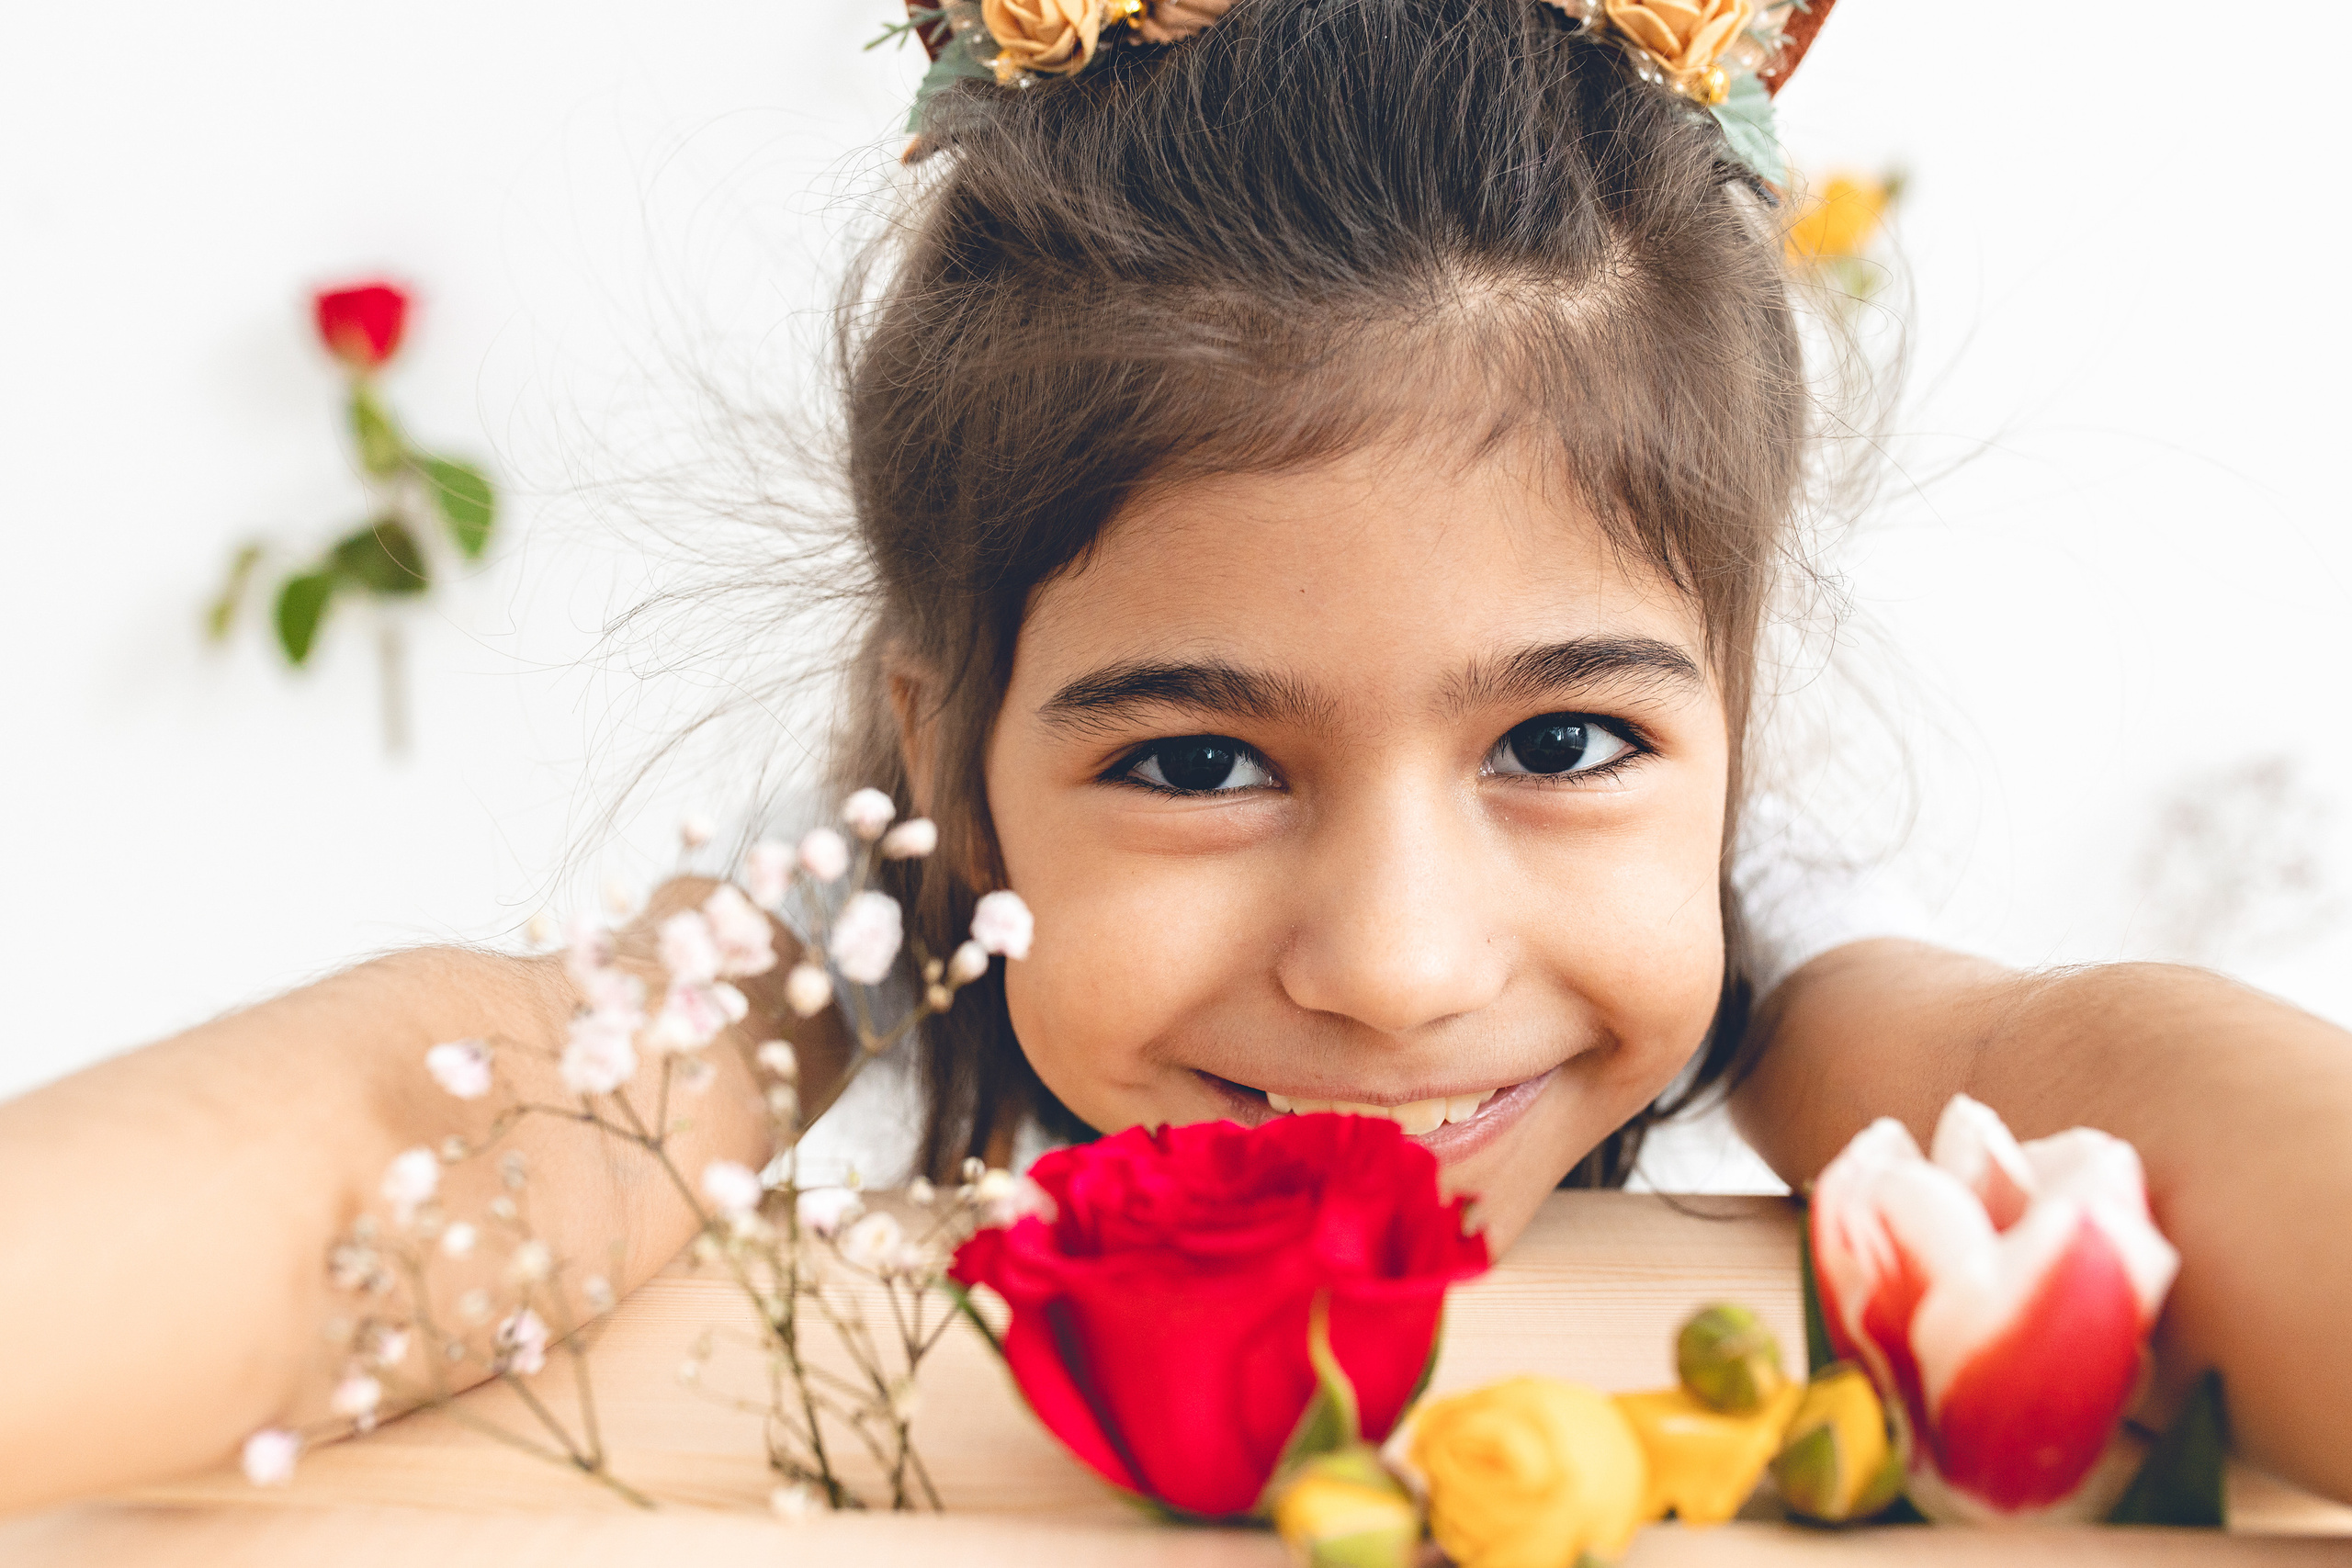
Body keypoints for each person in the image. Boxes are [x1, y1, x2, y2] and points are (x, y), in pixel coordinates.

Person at [3, 0, 2348, 1522]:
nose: (1403, 968)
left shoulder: (1758, 932)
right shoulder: (830, 917)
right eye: (1202, 763)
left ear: (1735, 732)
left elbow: (2063, 1077)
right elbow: (418, 1146)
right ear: (950, 748)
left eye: (1561, 737)